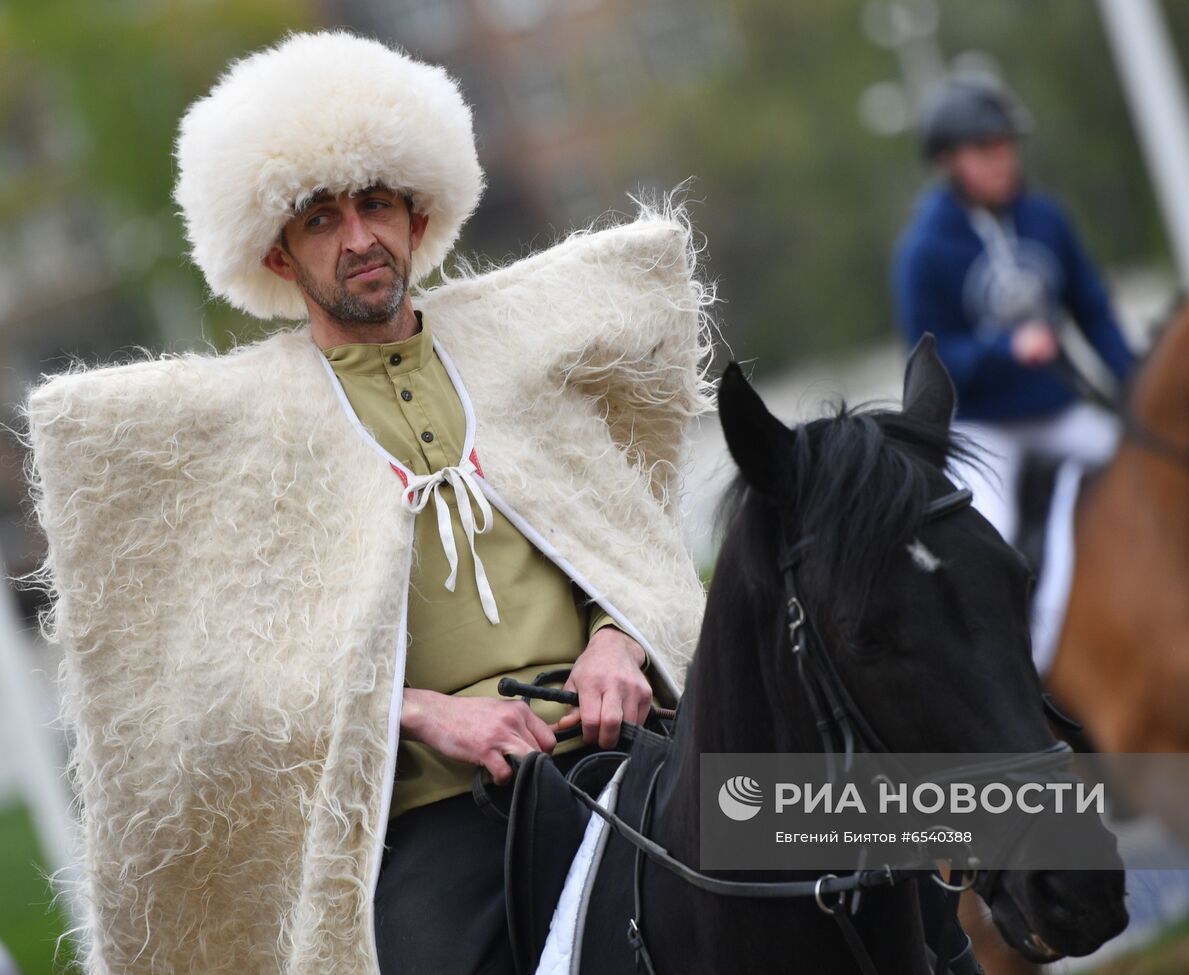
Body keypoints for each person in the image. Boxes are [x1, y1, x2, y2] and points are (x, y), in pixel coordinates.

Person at [24, 30, 708, 974]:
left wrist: (618, 639)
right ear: (274, 252)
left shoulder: (518, 353)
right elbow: (236, 694)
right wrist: (429, 714)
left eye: (377, 204)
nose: (359, 238)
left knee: (853, 852)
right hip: (441, 815)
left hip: (634, 743)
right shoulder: (252, 436)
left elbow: (625, 534)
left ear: (418, 218)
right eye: (320, 218)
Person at [891, 76, 1136, 544]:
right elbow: (929, 362)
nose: (1003, 160)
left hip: (1057, 410)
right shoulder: (923, 251)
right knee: (991, 532)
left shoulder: (1047, 218)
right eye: (985, 150)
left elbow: (1093, 311)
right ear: (949, 160)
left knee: (1151, 466)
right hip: (983, 426)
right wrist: (1007, 348)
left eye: (1006, 146)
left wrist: (1136, 381)